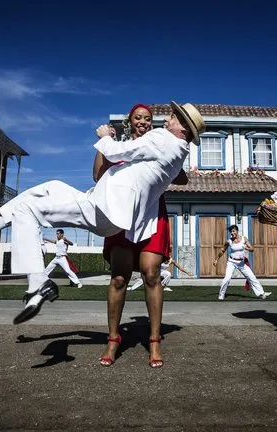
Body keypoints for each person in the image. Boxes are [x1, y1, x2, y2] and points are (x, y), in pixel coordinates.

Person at [0, 102, 205, 328]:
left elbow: (115, 152)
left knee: (28, 210)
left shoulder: (163, 139)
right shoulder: (178, 152)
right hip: (104, 208)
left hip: (106, 208)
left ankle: (38, 282)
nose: (167, 119)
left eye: (173, 116)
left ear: (183, 127)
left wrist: (105, 136)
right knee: (50, 187)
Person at [94, 104, 188, 368]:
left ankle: (155, 340)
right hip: (123, 213)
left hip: (152, 211)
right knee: (120, 277)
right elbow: (96, 175)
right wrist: (107, 143)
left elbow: (182, 178)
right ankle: (113, 339)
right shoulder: (120, 145)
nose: (144, 122)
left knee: (151, 274)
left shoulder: (161, 144)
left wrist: (160, 168)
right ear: (130, 122)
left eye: (148, 119)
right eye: (139, 118)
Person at [213, 225, 272, 300]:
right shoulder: (229, 241)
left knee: (252, 277)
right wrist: (216, 259)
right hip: (231, 262)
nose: (232, 233)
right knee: (227, 279)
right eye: (231, 232)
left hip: (241, 262)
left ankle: (262, 293)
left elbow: (252, 249)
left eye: (234, 231)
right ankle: (221, 295)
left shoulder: (244, 239)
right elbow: (222, 250)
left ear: (237, 231)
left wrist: (246, 248)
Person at [127, 251, 194, 292]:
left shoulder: (171, 261)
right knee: (144, 279)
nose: (167, 258)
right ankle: (132, 288)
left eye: (169, 256)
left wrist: (187, 273)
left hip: (162, 272)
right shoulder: (161, 258)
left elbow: (179, 267)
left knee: (168, 274)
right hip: (155, 270)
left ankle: (163, 286)